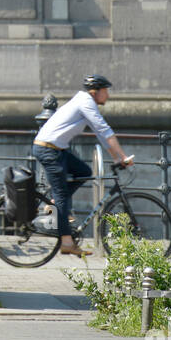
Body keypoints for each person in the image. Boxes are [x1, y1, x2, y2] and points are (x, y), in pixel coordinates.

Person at [33, 75, 133, 256]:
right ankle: (66, 242)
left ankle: (55, 202)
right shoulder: (85, 103)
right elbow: (104, 130)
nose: (108, 96)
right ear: (96, 92)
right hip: (48, 150)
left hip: (57, 149)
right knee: (62, 196)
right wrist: (123, 156)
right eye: (106, 91)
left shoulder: (86, 102)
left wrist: (117, 158)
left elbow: (102, 135)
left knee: (84, 171)